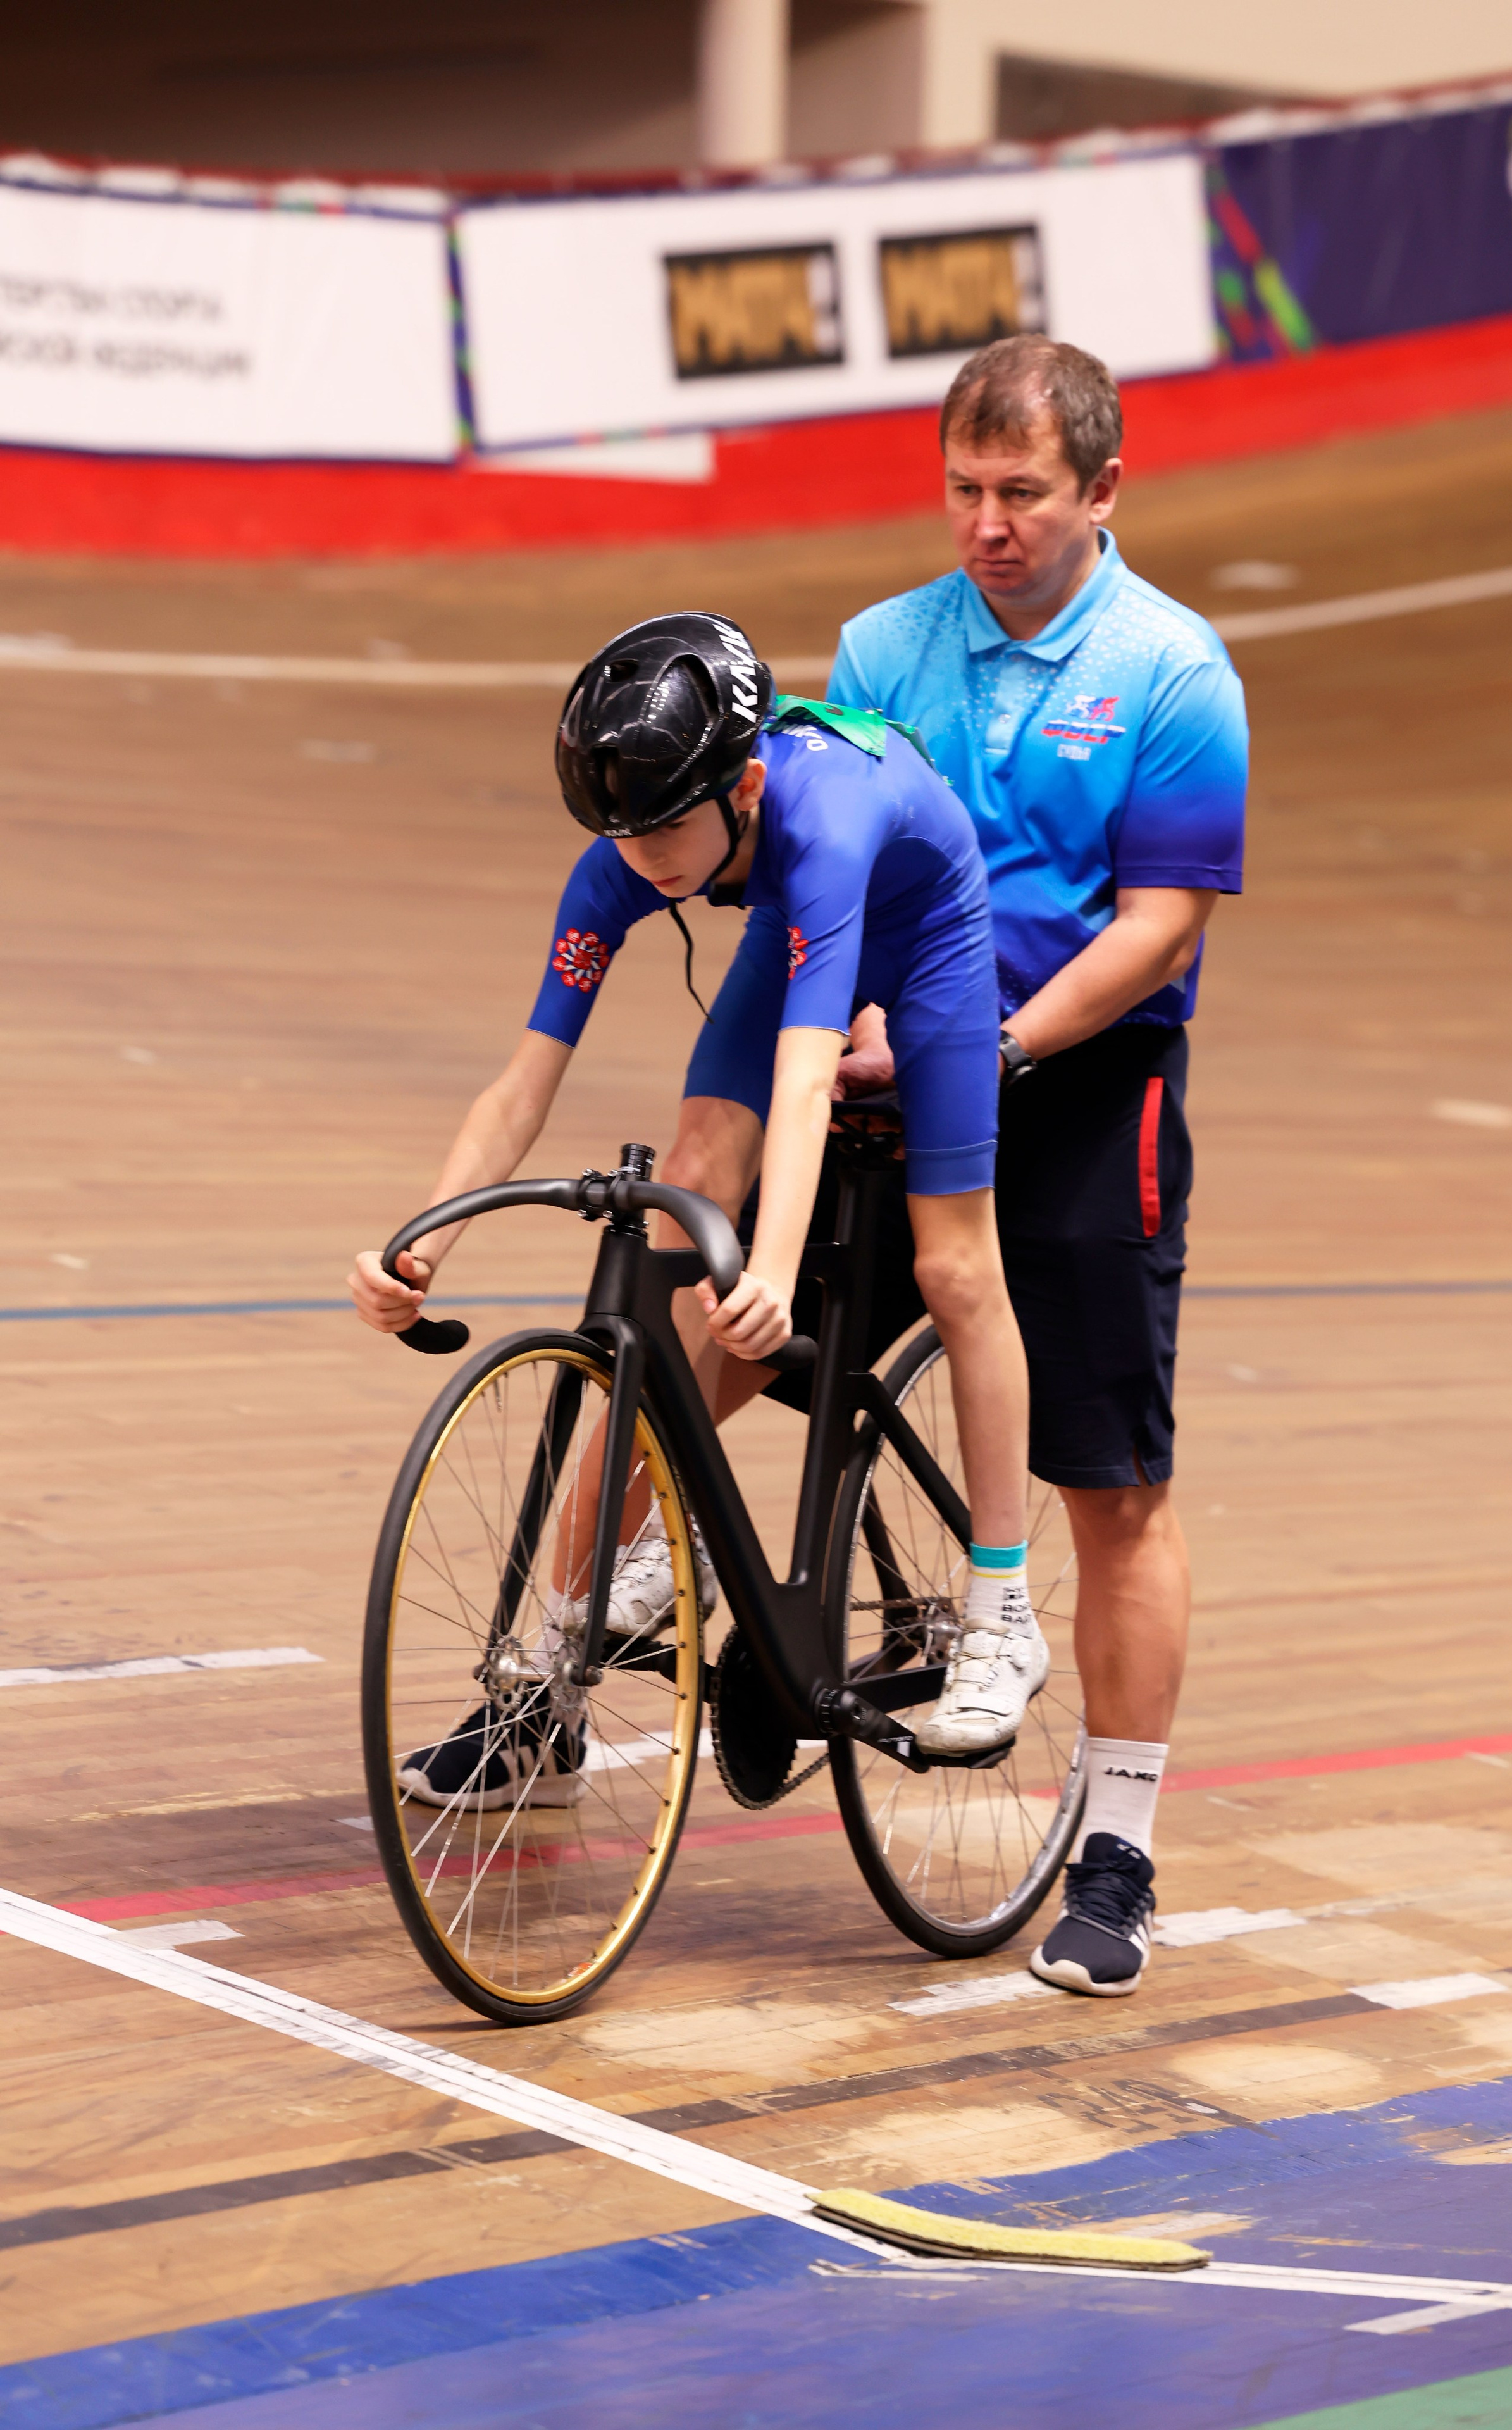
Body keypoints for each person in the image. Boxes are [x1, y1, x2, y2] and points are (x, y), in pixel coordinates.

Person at [349, 611, 1045, 1798]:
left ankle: (1004, 1608)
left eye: (668, 823)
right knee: (686, 1179)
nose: (643, 855)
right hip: (789, 920)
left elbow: (807, 1073)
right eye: (620, 831)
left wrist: (769, 1272)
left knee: (954, 1269)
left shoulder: (816, 821)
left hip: (925, 937)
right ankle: (551, 1700)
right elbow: (526, 1081)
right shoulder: (624, 857)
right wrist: (423, 1241)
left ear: (748, 785)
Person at [826, 333, 1248, 1998]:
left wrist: (995, 1050)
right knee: (719, 1327)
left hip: (1085, 1086)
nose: (987, 523)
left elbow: (1162, 925)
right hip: (894, 1067)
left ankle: (1121, 1855)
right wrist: (870, 1021)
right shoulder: (881, 645)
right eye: (964, 491)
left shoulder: (1171, 668)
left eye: (1021, 494)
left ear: (1102, 493)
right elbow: (838, 862)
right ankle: (552, 1671)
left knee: (1116, 1484)